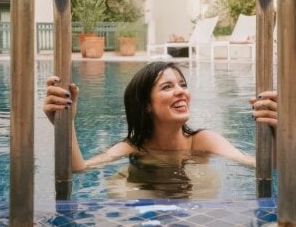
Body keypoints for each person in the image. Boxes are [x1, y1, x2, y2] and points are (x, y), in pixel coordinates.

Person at [43, 61, 278, 173]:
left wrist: (280, 129)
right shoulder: (133, 148)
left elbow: (259, 166)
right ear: (146, 105)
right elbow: (80, 168)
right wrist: (66, 124)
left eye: (182, 84)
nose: (181, 92)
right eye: (167, 87)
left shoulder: (203, 140)